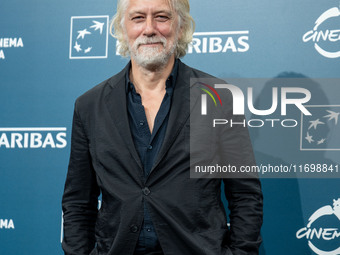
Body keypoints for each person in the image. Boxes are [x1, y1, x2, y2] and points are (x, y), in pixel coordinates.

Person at [61, 0, 263, 254]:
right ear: (122, 28)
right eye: (137, 18)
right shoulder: (89, 105)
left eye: (161, 17)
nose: (149, 29)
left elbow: (245, 195)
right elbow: (78, 201)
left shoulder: (219, 98)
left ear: (180, 27)